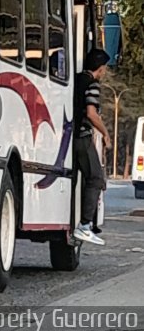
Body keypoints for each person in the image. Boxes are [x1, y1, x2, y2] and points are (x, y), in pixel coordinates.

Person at [73, 48, 112, 245]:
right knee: (96, 178)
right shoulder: (92, 84)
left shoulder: (76, 79)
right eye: (104, 67)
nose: (105, 71)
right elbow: (91, 113)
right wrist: (105, 134)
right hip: (82, 136)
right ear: (100, 67)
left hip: (69, 136)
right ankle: (85, 225)